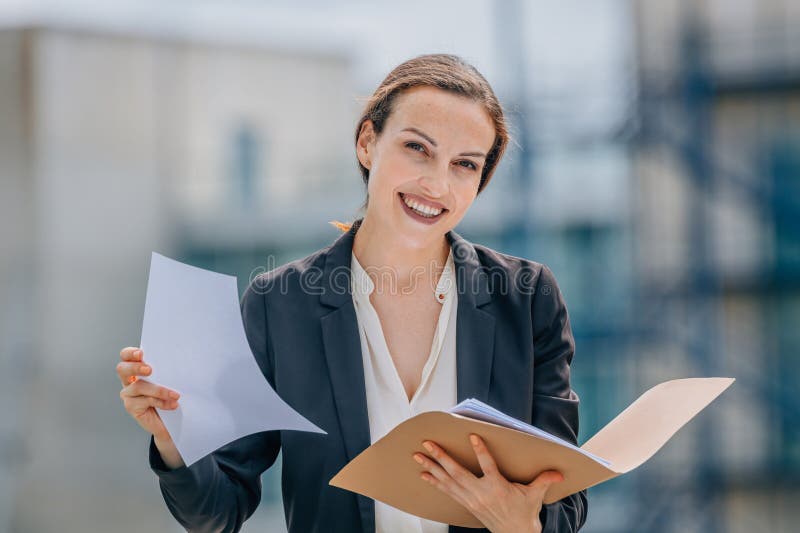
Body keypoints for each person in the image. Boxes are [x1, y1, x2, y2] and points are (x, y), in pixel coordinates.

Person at [117, 53, 588, 533]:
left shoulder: (527, 300)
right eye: (417, 148)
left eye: (465, 164)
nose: (437, 183)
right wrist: (175, 437)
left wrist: (523, 524)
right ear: (367, 143)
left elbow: (566, 503)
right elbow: (218, 510)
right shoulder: (280, 306)